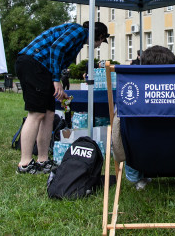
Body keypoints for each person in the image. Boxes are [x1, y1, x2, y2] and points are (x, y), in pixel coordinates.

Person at [15, 21, 109, 174]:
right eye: (100, 41)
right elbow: (56, 48)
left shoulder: (78, 38)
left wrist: (56, 84)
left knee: (49, 114)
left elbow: (60, 55)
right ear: (99, 36)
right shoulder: (79, 31)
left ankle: (43, 160)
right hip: (33, 63)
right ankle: (25, 164)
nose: (98, 46)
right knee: (37, 113)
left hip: (42, 68)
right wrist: (56, 79)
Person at [122, 45, 175, 193]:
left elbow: (119, 134)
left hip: (140, 157)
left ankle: (137, 178)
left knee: (124, 123)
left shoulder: (130, 99)